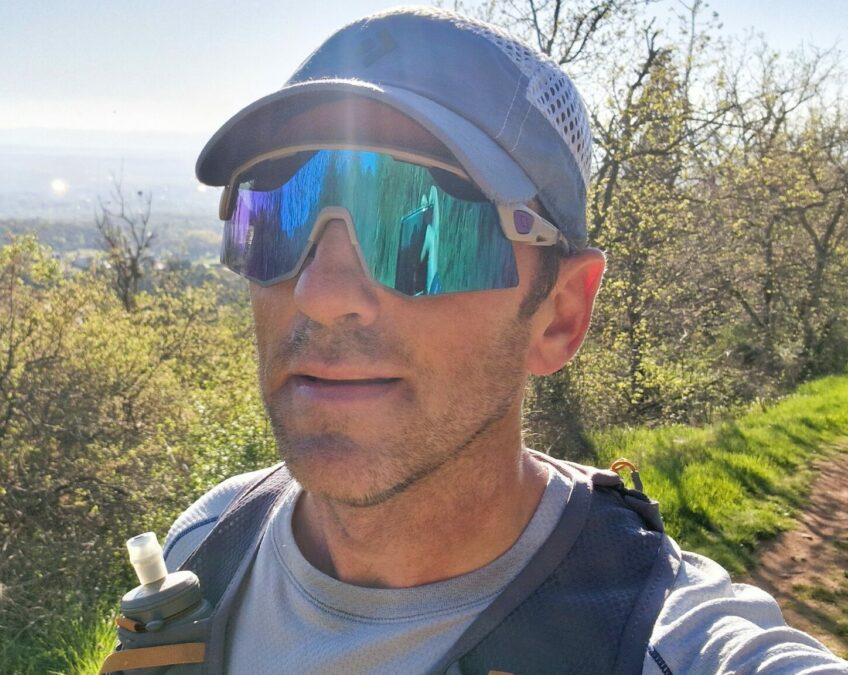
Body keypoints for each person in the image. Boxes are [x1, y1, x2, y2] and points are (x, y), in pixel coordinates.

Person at [160, 7, 848, 674]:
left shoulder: (664, 642)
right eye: (275, 215)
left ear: (559, 314)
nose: (320, 292)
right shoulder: (204, 549)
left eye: (426, 228)